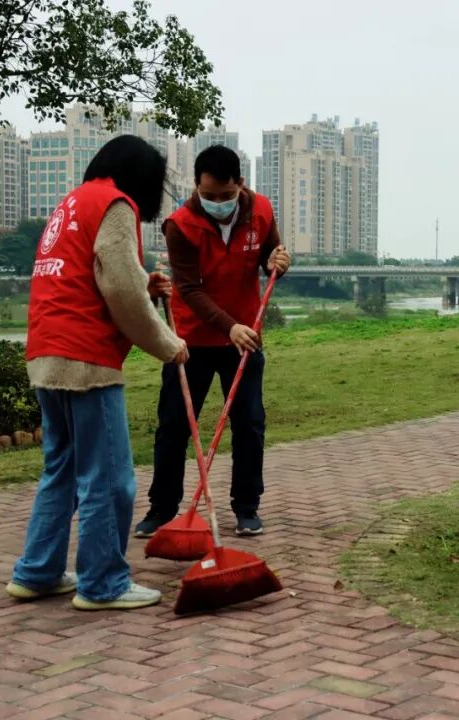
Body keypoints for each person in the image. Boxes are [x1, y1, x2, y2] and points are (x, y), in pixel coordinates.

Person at [7, 135, 189, 611]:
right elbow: (122, 292)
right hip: (85, 358)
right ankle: (103, 583)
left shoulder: (72, 202)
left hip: (47, 352)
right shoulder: (114, 203)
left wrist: (142, 285)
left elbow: (97, 278)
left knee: (62, 470)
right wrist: (169, 345)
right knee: (109, 479)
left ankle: (38, 572)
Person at [135, 145, 291, 539]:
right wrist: (229, 327)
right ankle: (162, 509)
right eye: (209, 196)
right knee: (173, 426)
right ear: (196, 186)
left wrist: (278, 262)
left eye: (225, 195)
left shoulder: (262, 211)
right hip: (190, 341)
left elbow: (270, 258)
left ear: (240, 183)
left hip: (246, 339)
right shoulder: (180, 224)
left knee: (250, 424)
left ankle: (247, 508)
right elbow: (188, 288)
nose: (217, 203)